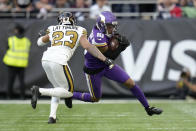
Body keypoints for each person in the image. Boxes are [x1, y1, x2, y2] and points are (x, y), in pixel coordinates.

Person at [69, 11, 163, 116]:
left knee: (130, 83)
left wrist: (117, 41)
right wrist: (120, 48)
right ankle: (69, 95)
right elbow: (109, 55)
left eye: (113, 26)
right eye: (109, 26)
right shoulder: (98, 37)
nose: (112, 29)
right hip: (94, 70)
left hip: (106, 66)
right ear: (102, 25)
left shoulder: (103, 30)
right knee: (94, 98)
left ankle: (148, 108)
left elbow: (109, 54)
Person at [31, 11, 114, 124]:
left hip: (46, 59)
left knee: (57, 89)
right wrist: (104, 59)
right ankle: (39, 91)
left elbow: (39, 43)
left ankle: (52, 117)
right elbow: (88, 46)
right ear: (73, 20)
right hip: (59, 60)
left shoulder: (52, 28)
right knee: (69, 92)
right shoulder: (80, 30)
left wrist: (41, 36)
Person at [3, 24, 31, 99]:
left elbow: (7, 48)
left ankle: (9, 96)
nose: (14, 31)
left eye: (15, 29)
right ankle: (22, 96)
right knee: (22, 81)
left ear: (18, 31)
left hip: (11, 63)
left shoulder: (11, 39)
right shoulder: (27, 41)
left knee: (10, 80)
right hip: (22, 63)